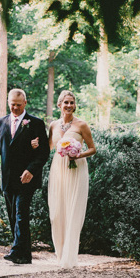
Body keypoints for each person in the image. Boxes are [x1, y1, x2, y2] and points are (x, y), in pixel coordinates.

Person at [0, 88, 50, 264]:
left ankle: (15, 251)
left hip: (27, 178)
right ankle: (25, 256)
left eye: (18, 105)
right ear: (8, 102)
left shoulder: (36, 124)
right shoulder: (0, 123)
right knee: (13, 216)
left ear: (25, 103)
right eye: (12, 104)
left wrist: (31, 170)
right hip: (8, 178)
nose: (15, 108)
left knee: (21, 213)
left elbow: (43, 152)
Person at [47, 90, 96, 268]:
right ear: (59, 105)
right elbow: (48, 147)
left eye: (72, 103)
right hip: (58, 169)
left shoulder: (82, 125)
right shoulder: (53, 125)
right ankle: (60, 256)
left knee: (73, 211)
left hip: (77, 169)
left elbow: (93, 148)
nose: (69, 106)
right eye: (65, 102)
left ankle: (69, 258)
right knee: (57, 212)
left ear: (75, 105)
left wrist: (78, 154)